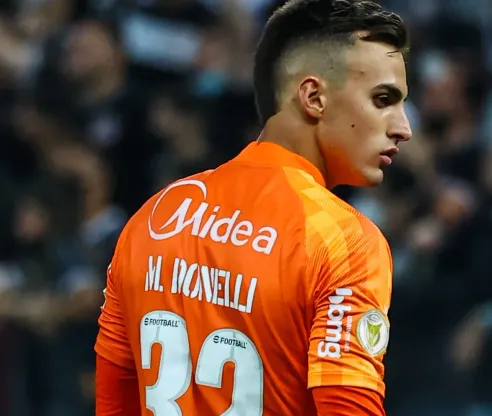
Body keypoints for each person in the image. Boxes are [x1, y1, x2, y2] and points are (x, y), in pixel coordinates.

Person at [94, 0, 412, 415]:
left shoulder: (155, 217)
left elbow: (113, 402)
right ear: (313, 97)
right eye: (382, 99)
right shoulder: (343, 241)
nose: (403, 128)